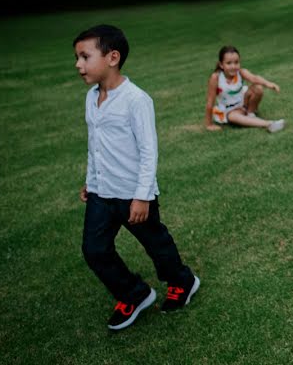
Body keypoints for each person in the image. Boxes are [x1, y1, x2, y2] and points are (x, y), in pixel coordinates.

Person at [73, 24, 199, 330]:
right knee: (94, 249)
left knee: (155, 243)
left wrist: (142, 196)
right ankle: (134, 293)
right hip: (102, 192)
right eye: (77, 58)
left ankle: (183, 281)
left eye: (84, 57)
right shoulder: (91, 97)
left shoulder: (136, 99)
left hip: (133, 194)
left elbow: (148, 151)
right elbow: (96, 145)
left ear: (112, 57)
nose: (78, 65)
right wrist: (92, 179)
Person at [204, 45, 285, 132]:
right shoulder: (216, 77)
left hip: (243, 104)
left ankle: (250, 114)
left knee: (258, 88)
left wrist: (269, 84)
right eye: (229, 63)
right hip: (229, 111)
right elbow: (210, 101)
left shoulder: (241, 72)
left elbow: (254, 78)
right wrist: (209, 124)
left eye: (236, 62)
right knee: (233, 117)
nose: (233, 66)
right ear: (221, 65)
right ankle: (269, 124)